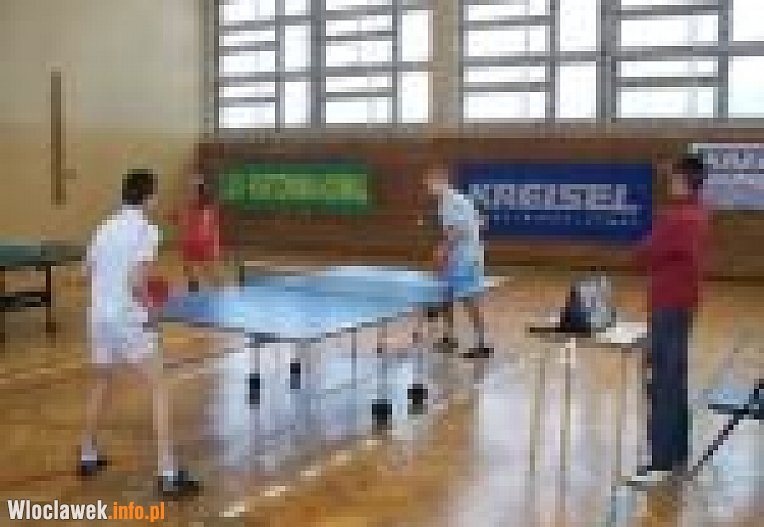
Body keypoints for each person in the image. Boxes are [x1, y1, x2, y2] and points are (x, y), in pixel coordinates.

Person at [80, 168, 199, 497]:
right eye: (155, 193)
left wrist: (110, 284)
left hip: (98, 317)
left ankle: (88, 455)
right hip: (126, 318)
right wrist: (152, 309)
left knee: (100, 382)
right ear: (148, 197)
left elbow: (85, 271)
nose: (156, 198)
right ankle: (168, 474)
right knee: (160, 385)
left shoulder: (104, 226)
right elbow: (136, 282)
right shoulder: (147, 231)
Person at [631, 154, 710, 484]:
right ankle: (676, 453)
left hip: (669, 307)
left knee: (663, 381)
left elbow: (644, 253)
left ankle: (661, 461)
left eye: (675, 178)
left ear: (685, 182)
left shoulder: (678, 218)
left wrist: (646, 246)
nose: (669, 182)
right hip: (682, 305)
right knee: (674, 380)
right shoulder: (698, 212)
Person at [424, 162, 490, 359]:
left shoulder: (450, 201)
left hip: (465, 259)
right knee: (446, 294)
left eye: (431, 182)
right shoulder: (455, 200)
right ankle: (449, 337)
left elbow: (458, 230)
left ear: (442, 181)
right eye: (427, 183)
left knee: (469, 299)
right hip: (460, 257)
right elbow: (480, 221)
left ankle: (482, 343)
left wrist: (443, 249)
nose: (429, 186)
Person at [174, 175, 221, 292]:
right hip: (189, 244)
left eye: (194, 189)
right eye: (190, 189)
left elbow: (213, 228)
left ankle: (218, 291)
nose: (190, 192)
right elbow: (180, 221)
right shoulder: (185, 207)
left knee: (210, 271)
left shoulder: (208, 209)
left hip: (205, 245)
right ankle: (193, 291)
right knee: (190, 271)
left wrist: (214, 245)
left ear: (201, 192)